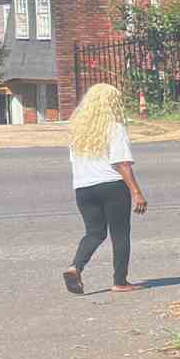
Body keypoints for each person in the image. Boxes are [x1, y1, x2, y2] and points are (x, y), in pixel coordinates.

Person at [63, 81, 145, 296]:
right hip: (112, 187)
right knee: (120, 234)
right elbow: (122, 163)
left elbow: (75, 162)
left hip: (83, 188)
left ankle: (75, 267)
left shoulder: (77, 132)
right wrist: (137, 192)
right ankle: (120, 281)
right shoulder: (115, 128)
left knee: (94, 232)